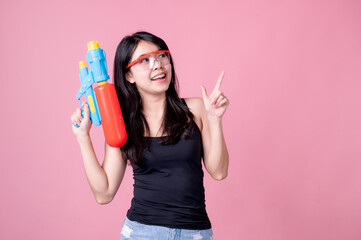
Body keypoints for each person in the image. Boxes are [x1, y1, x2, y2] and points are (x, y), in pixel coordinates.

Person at [71, 31, 229, 240]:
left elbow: (218, 172)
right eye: (144, 60)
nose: (158, 64)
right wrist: (83, 138)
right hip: (141, 232)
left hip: (195, 232)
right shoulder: (121, 124)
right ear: (129, 75)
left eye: (162, 55)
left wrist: (215, 119)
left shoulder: (197, 109)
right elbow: (104, 193)